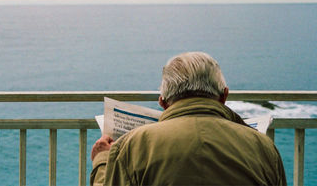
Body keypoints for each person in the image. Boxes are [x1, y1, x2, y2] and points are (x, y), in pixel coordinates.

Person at [90, 52, 287, 186]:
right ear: (224, 96)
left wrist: (102, 160)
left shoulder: (132, 145)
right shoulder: (262, 146)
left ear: (163, 102)